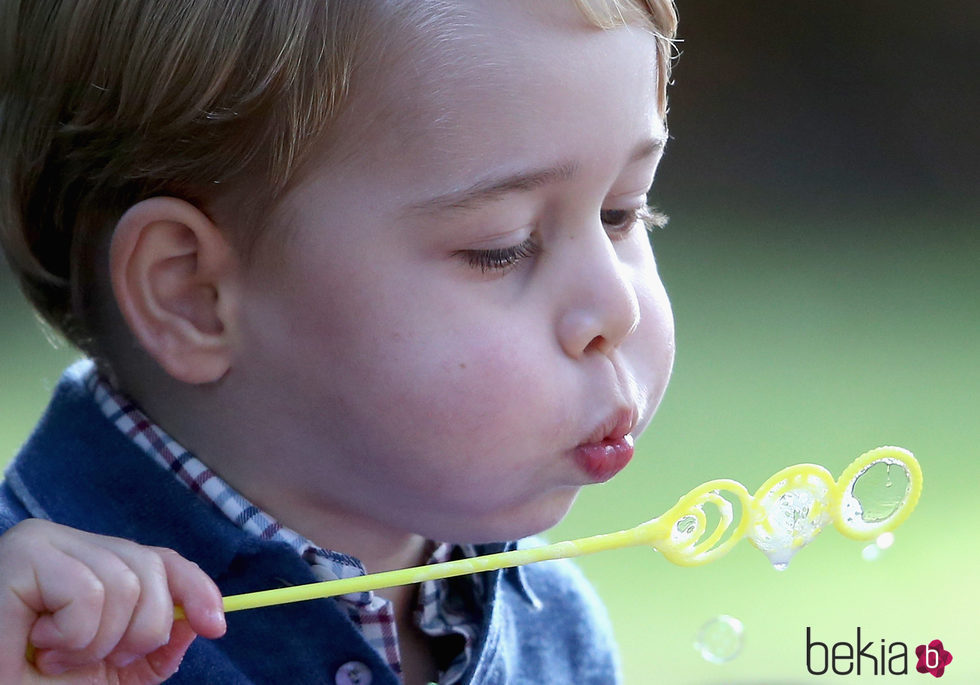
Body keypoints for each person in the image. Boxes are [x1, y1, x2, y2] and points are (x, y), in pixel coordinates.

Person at [0, 0, 677, 682]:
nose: (616, 307)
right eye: (501, 247)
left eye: (623, 212)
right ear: (193, 296)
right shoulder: (34, 642)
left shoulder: (552, 622)